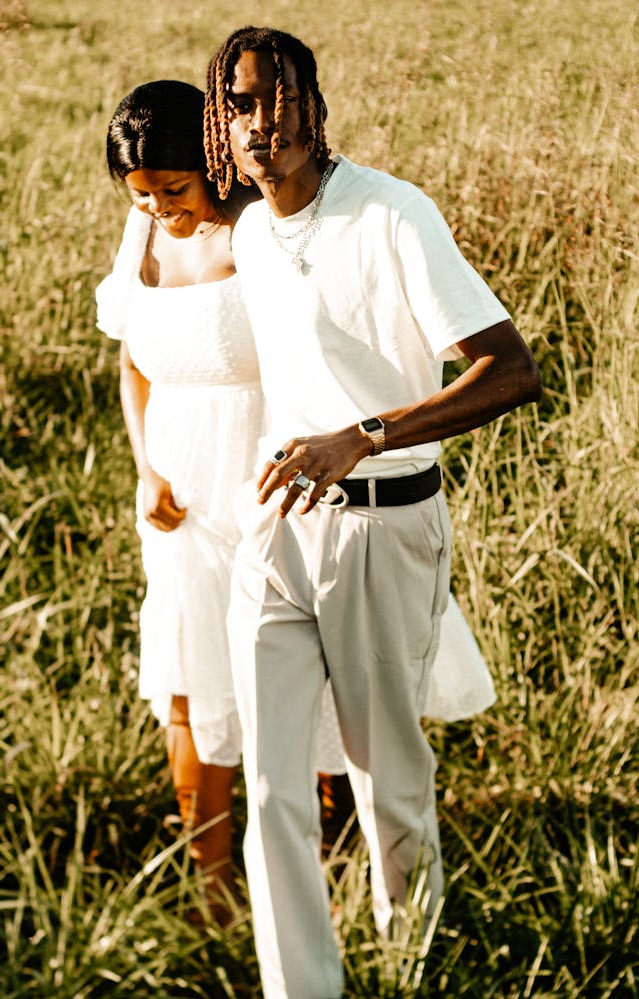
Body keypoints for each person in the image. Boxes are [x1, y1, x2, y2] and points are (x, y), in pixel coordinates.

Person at [203, 26, 542, 997]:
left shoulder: (393, 216)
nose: (261, 120)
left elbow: (511, 371)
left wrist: (364, 433)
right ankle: (301, 988)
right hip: (277, 530)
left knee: (387, 782)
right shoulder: (252, 232)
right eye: (240, 105)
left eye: (277, 97)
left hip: (385, 525)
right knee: (271, 789)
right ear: (223, 129)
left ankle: (410, 968)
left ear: (314, 102)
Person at [94, 79, 349, 923]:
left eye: (174, 189)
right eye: (142, 195)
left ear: (210, 163)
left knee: (294, 671)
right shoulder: (142, 237)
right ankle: (211, 884)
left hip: (266, 476)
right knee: (188, 676)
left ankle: (320, 857)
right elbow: (134, 364)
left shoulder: (256, 234)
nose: (161, 209)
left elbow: (314, 357)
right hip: (176, 493)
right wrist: (144, 468)